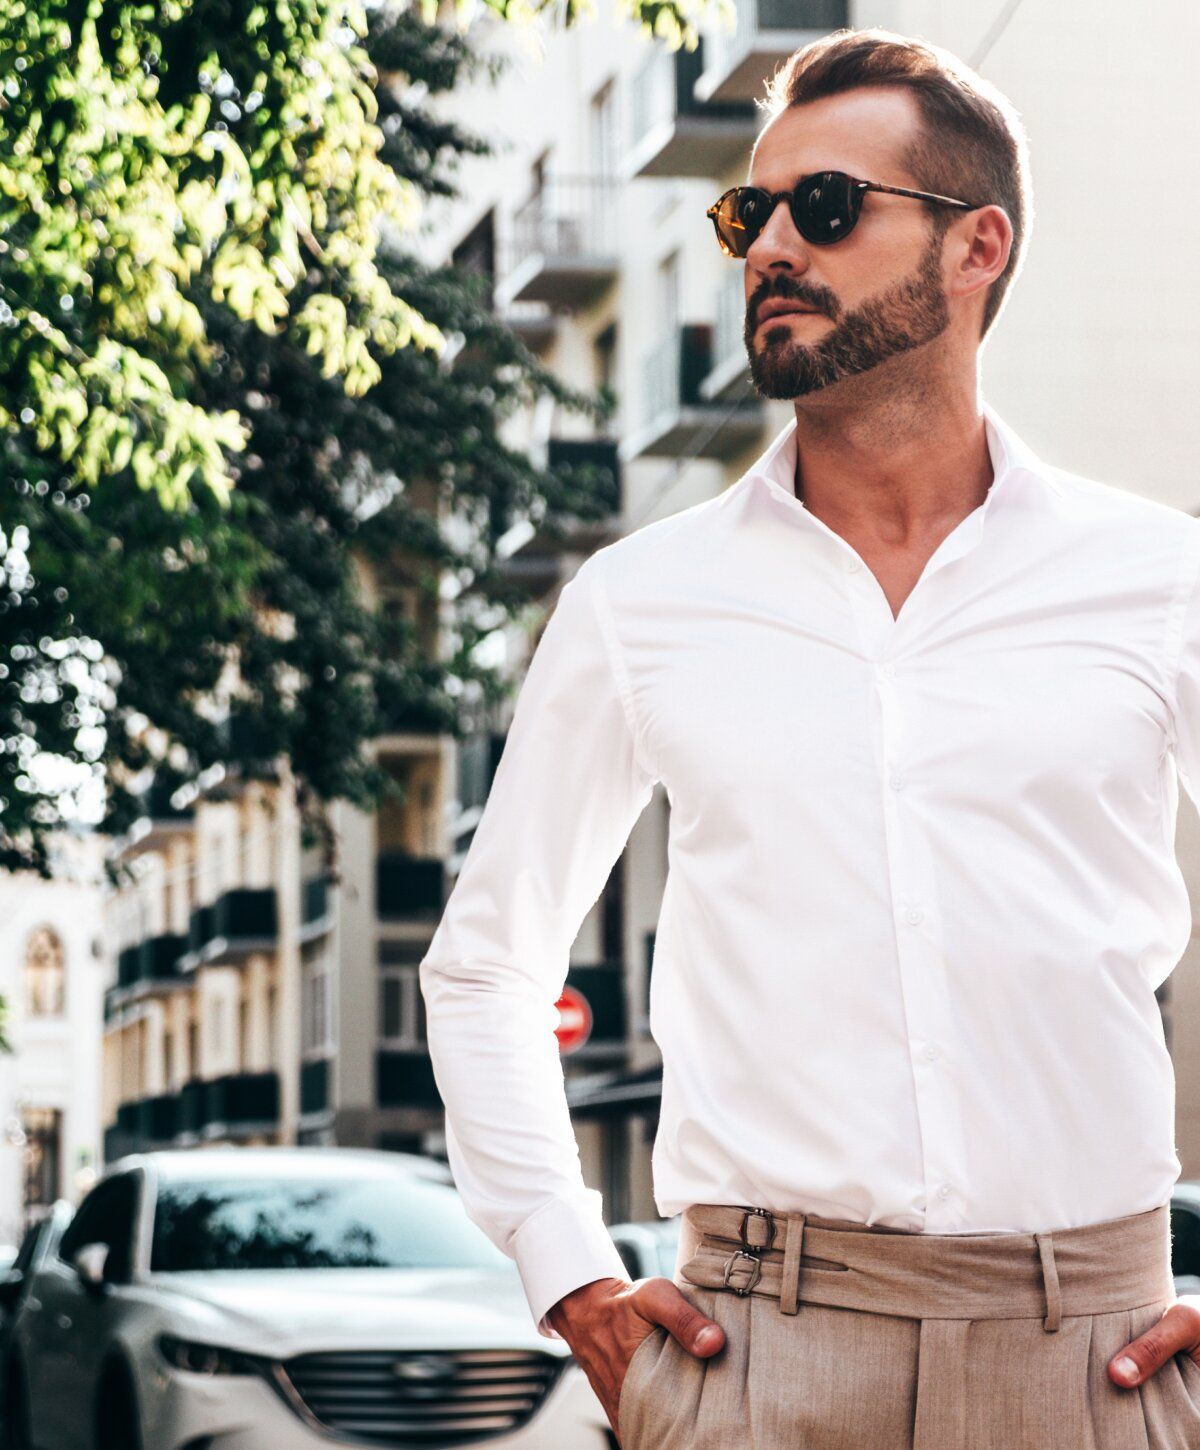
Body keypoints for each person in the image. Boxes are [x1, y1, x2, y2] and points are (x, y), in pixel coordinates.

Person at [419, 25, 1200, 1448]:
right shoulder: (641, 600)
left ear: (978, 248)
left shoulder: (1161, 580)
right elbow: (485, 963)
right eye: (747, 214)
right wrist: (570, 1270)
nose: (770, 243)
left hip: (1096, 1360)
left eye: (826, 208)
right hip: (755, 1357)